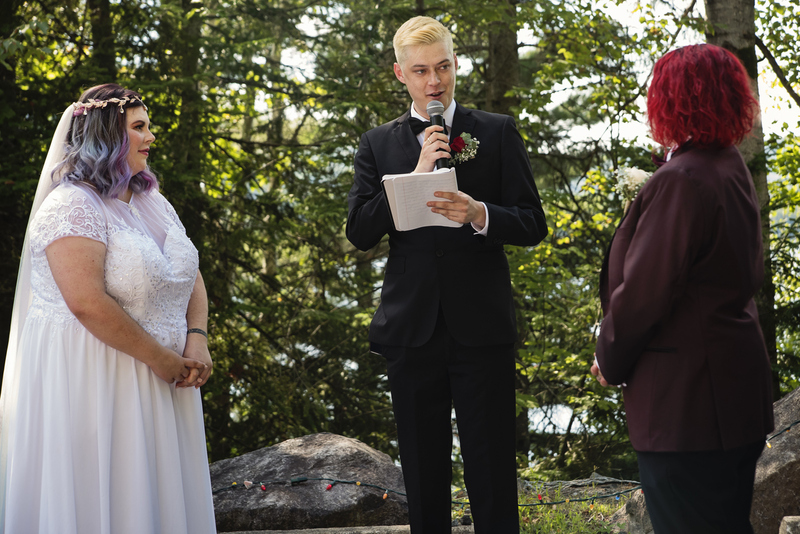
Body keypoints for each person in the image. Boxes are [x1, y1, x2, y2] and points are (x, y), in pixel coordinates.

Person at [346, 16, 547, 533]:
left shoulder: (496, 132)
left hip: (481, 327)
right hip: (411, 331)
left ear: (456, 64)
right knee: (422, 471)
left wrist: (481, 214)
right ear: (400, 74)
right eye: (420, 71)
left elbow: (531, 222)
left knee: (493, 471)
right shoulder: (377, 143)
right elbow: (360, 231)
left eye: (442, 67)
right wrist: (411, 178)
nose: (434, 82)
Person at [0, 83, 217, 533]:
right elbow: (86, 303)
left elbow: (188, 272)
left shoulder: (151, 201)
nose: (151, 136)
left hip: (167, 379)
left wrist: (197, 339)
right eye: (139, 127)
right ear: (106, 137)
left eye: (148, 126)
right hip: (101, 383)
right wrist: (161, 359)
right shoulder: (71, 206)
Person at [591, 44, 774, 534]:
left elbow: (645, 293)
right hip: (732, 396)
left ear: (672, 99)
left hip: (687, 407)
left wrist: (609, 357)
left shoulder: (683, 179)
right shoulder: (728, 165)